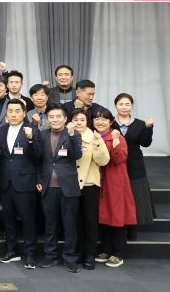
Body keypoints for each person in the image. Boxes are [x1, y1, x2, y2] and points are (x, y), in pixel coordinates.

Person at [0, 98, 43, 269]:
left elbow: (39, 155)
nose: (13, 114)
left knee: (27, 219)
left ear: (24, 113)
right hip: (5, 182)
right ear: (6, 114)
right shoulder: (1, 131)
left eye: (17, 111)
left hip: (25, 182)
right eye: (10, 111)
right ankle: (11, 251)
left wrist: (30, 139)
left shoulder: (32, 130)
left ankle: (30, 254)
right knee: (8, 219)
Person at [36, 104, 83, 273]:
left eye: (58, 117)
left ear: (65, 119)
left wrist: (71, 135)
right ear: (47, 119)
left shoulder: (74, 134)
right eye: (51, 117)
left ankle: (70, 258)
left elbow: (77, 154)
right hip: (48, 187)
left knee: (70, 225)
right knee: (50, 224)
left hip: (68, 187)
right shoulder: (42, 134)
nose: (54, 120)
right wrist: (38, 179)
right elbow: (38, 160)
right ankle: (50, 256)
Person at [93, 107, 136, 268]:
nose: (100, 122)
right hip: (98, 180)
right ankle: (106, 249)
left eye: (104, 119)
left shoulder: (117, 137)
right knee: (103, 216)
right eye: (97, 118)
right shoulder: (92, 136)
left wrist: (116, 142)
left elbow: (120, 159)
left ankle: (117, 253)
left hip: (115, 182)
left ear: (111, 122)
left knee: (117, 217)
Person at [71, 108, 110, 270]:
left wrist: (98, 143)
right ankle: (78, 252)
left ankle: (90, 255)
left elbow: (104, 161)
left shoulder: (94, 137)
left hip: (89, 185)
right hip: (71, 185)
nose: (79, 123)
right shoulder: (67, 135)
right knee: (75, 222)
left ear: (87, 121)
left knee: (89, 221)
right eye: (76, 120)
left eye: (82, 120)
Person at [114, 93, 155, 239]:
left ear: (132, 106)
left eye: (127, 104)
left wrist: (149, 128)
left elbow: (145, 143)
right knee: (118, 198)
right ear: (116, 105)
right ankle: (118, 228)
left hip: (134, 165)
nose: (124, 107)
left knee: (135, 198)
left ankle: (132, 230)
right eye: (121, 104)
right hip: (115, 165)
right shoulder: (110, 123)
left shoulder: (140, 124)